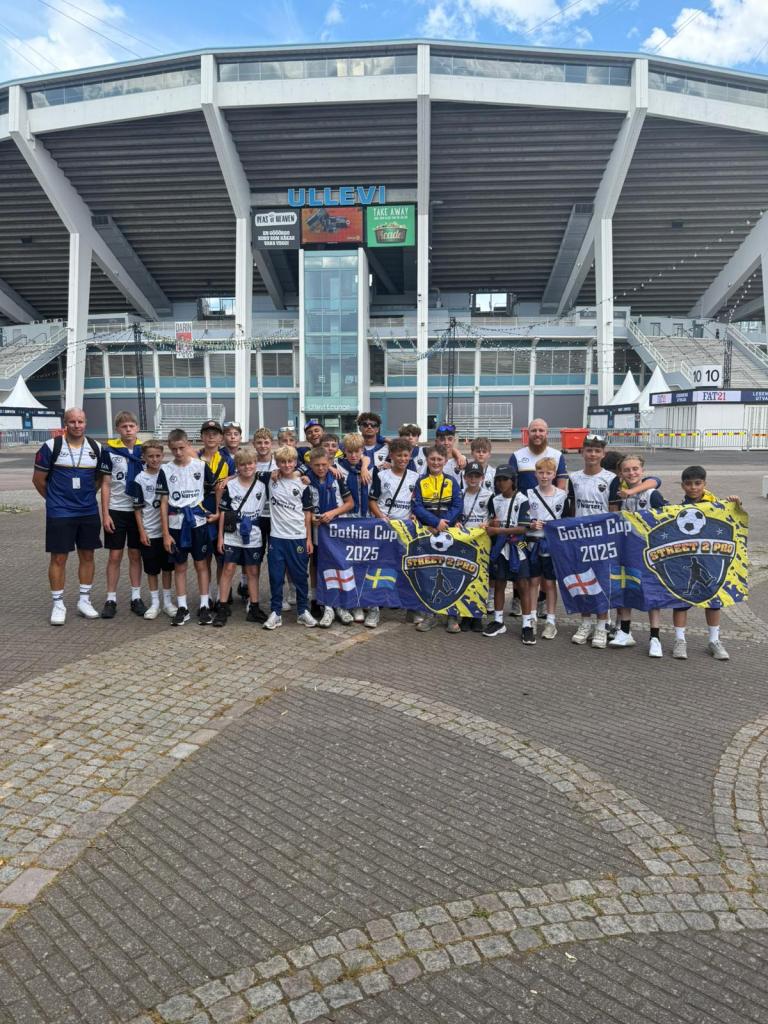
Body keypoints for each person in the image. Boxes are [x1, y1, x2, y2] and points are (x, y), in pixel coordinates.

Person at [33, 407, 103, 625]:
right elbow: (38, 480)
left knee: (88, 556)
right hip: (60, 512)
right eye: (72, 421)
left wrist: (86, 497)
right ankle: (58, 604)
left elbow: (99, 480)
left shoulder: (96, 448)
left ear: (86, 422)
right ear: (65, 423)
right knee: (59, 558)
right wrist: (54, 501)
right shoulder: (51, 446)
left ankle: (84, 600)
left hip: (88, 510)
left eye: (80, 421)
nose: (77, 425)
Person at [670, 465, 742, 661]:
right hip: (685, 560)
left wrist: (736, 503)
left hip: (710, 560)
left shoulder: (717, 506)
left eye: (697, 483)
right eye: (689, 484)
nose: (693, 487)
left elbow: (736, 517)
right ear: (682, 486)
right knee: (681, 601)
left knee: (713, 601)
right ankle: (679, 640)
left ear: (705, 484)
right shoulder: (677, 510)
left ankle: (714, 640)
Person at [608, 453, 667, 657]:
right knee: (625, 588)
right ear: (621, 473)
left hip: (649, 552)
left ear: (642, 470)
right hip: (627, 551)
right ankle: (625, 632)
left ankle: (655, 638)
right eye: (627, 470)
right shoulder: (620, 494)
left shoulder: (652, 494)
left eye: (635, 469)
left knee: (652, 593)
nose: (631, 473)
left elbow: (665, 520)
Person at [157, 429, 217, 626]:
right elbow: (163, 503)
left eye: (181, 448)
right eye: (174, 449)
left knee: (201, 564)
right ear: (169, 447)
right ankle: (182, 607)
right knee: (180, 566)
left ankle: (204, 605)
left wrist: (215, 512)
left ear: (188, 444)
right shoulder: (165, 470)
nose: (178, 452)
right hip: (176, 525)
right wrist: (165, 534)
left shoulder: (201, 466)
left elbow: (216, 489)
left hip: (198, 523)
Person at [213, 446, 271, 627]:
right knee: (228, 568)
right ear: (237, 466)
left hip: (254, 533)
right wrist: (221, 537)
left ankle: (254, 607)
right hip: (233, 533)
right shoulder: (230, 485)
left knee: (253, 570)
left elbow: (285, 473)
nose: (247, 467)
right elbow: (223, 512)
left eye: (251, 463)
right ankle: (222, 607)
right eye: (243, 464)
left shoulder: (263, 484)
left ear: (256, 464)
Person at [264, 444, 318, 630]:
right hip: (277, 537)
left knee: (300, 576)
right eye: (282, 462)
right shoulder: (270, 479)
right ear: (277, 463)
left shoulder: (303, 484)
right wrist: (226, 479)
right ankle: (276, 612)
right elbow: (243, 472)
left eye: (290, 461)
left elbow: (307, 513)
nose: (287, 465)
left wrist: (308, 539)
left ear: (295, 462)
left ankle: (303, 611)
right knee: (275, 576)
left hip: (298, 537)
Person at [99, 410, 146, 618]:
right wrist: (105, 514)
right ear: (118, 429)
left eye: (131, 426)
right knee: (115, 555)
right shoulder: (109, 451)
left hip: (138, 511)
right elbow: (106, 484)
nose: (128, 430)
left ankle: (136, 597)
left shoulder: (145, 450)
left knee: (135, 554)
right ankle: (111, 599)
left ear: (137, 428)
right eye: (124, 426)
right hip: (116, 510)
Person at [412, 445, 463, 633]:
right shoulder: (421, 481)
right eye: (432, 459)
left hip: (449, 533)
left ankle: (452, 616)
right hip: (429, 532)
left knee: (451, 573)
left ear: (445, 461)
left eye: (439, 459)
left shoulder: (451, 481)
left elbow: (458, 505)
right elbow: (417, 506)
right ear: (427, 460)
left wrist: (444, 523)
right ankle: (430, 615)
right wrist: (434, 522)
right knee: (429, 574)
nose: (435, 462)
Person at [305, 446, 354, 627]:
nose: (321, 468)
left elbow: (350, 503)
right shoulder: (305, 480)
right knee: (318, 566)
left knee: (338, 565)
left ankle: (340, 605)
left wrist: (333, 513)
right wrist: (312, 519)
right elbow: (305, 509)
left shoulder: (337, 478)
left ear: (330, 463)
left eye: (324, 464)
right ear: (310, 464)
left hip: (336, 530)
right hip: (318, 531)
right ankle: (325, 604)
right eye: (317, 465)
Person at [483, 467, 531, 641]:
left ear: (513, 480)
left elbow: (523, 528)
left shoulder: (522, 499)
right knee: (499, 583)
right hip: (500, 548)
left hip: (517, 546)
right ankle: (498, 621)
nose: (501, 483)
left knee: (522, 584)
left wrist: (498, 530)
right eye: (498, 479)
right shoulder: (494, 500)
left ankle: (527, 624)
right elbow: (491, 521)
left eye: (505, 479)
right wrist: (491, 524)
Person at [132, 440, 177, 620]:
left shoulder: (168, 473)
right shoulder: (140, 479)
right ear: (144, 457)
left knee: (167, 568)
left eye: (158, 456)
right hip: (150, 531)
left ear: (163, 456)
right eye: (150, 456)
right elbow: (137, 509)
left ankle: (167, 602)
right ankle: (155, 603)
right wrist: (142, 532)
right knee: (152, 570)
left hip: (168, 531)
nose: (155, 459)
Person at [525, 456, 567, 641]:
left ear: (554, 474)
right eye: (540, 472)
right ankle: (532, 617)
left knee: (549, 583)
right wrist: (531, 524)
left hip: (551, 545)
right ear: (535, 474)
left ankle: (550, 621)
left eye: (548, 473)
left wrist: (554, 526)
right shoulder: (529, 494)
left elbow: (567, 520)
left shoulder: (562, 495)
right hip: (533, 543)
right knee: (533, 581)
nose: (544, 476)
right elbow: (523, 518)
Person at [198, 419, 235, 603]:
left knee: (222, 559)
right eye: (207, 434)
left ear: (221, 438)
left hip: (222, 515)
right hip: (200, 515)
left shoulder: (228, 460)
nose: (211, 437)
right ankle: (207, 597)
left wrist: (230, 478)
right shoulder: (194, 459)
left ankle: (222, 596)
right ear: (202, 437)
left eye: (215, 434)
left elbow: (240, 477)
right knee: (204, 560)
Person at [458, 460, 492, 633]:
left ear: (482, 478)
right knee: (465, 576)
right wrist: (456, 522)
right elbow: (456, 515)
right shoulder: (459, 494)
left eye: (477, 476)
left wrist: (488, 523)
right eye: (470, 475)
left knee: (480, 578)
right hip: (464, 541)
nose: (473, 479)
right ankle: (465, 614)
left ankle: (477, 615)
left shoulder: (489, 496)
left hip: (482, 541)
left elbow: (494, 517)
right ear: (465, 477)